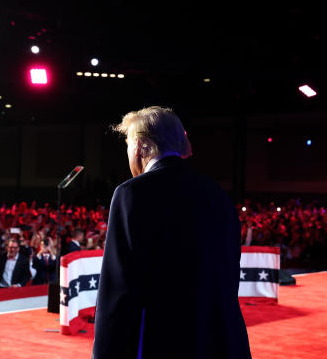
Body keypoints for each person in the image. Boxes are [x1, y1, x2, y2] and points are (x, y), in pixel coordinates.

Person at [92, 106, 251, 358]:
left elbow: (118, 290)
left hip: (163, 340)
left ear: (141, 146)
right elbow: (229, 276)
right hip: (220, 339)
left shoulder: (132, 194)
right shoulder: (218, 195)